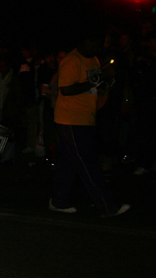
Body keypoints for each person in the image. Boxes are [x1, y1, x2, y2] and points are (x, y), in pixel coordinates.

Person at [50, 27, 129, 217]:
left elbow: (96, 84)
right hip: (70, 119)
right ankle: (107, 206)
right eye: (98, 43)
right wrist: (93, 83)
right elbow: (66, 90)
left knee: (69, 162)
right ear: (87, 42)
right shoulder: (71, 61)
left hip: (85, 118)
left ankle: (59, 200)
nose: (101, 47)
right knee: (88, 161)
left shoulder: (93, 60)